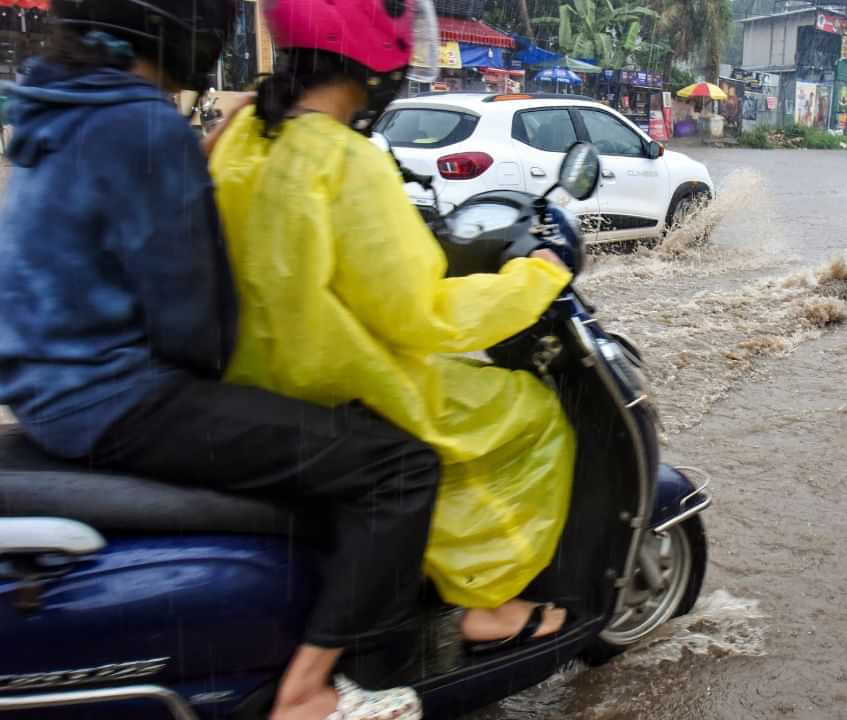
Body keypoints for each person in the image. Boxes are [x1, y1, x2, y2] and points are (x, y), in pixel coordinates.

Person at [0, 3, 436, 719]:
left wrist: (199, 153)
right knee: (398, 466)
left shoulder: (58, 102)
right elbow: (198, 333)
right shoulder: (142, 125)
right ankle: (310, 693)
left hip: (45, 390)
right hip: (119, 399)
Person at [207, 0, 576, 651]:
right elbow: (423, 313)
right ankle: (492, 601)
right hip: (344, 382)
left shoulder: (245, 136)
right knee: (526, 414)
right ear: (376, 48)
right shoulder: (347, 161)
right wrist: (537, 278)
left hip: (255, 381)